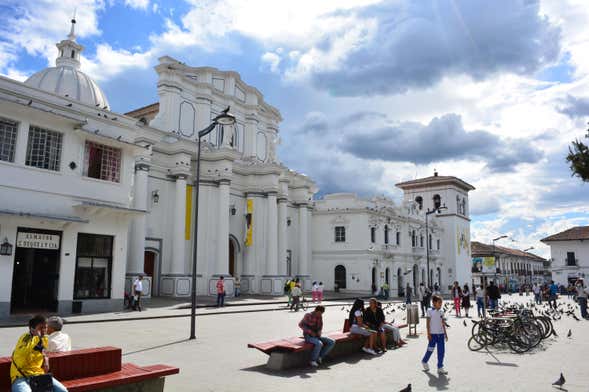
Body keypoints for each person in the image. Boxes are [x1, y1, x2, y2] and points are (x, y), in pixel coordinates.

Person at [10, 315, 68, 392]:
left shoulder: (44, 339)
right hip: (20, 376)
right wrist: (37, 337)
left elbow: (43, 351)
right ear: (32, 329)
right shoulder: (25, 338)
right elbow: (21, 358)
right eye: (41, 328)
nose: (44, 330)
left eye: (45, 327)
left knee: (63, 390)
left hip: (38, 375)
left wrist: (46, 359)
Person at [421, 295, 448, 375]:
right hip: (432, 335)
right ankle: (424, 361)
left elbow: (443, 323)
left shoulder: (441, 311)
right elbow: (428, 323)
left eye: (441, 303)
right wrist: (428, 334)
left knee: (441, 351)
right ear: (434, 302)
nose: (440, 304)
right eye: (439, 302)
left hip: (441, 334)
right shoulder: (429, 311)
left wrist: (445, 334)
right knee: (430, 350)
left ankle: (440, 367)